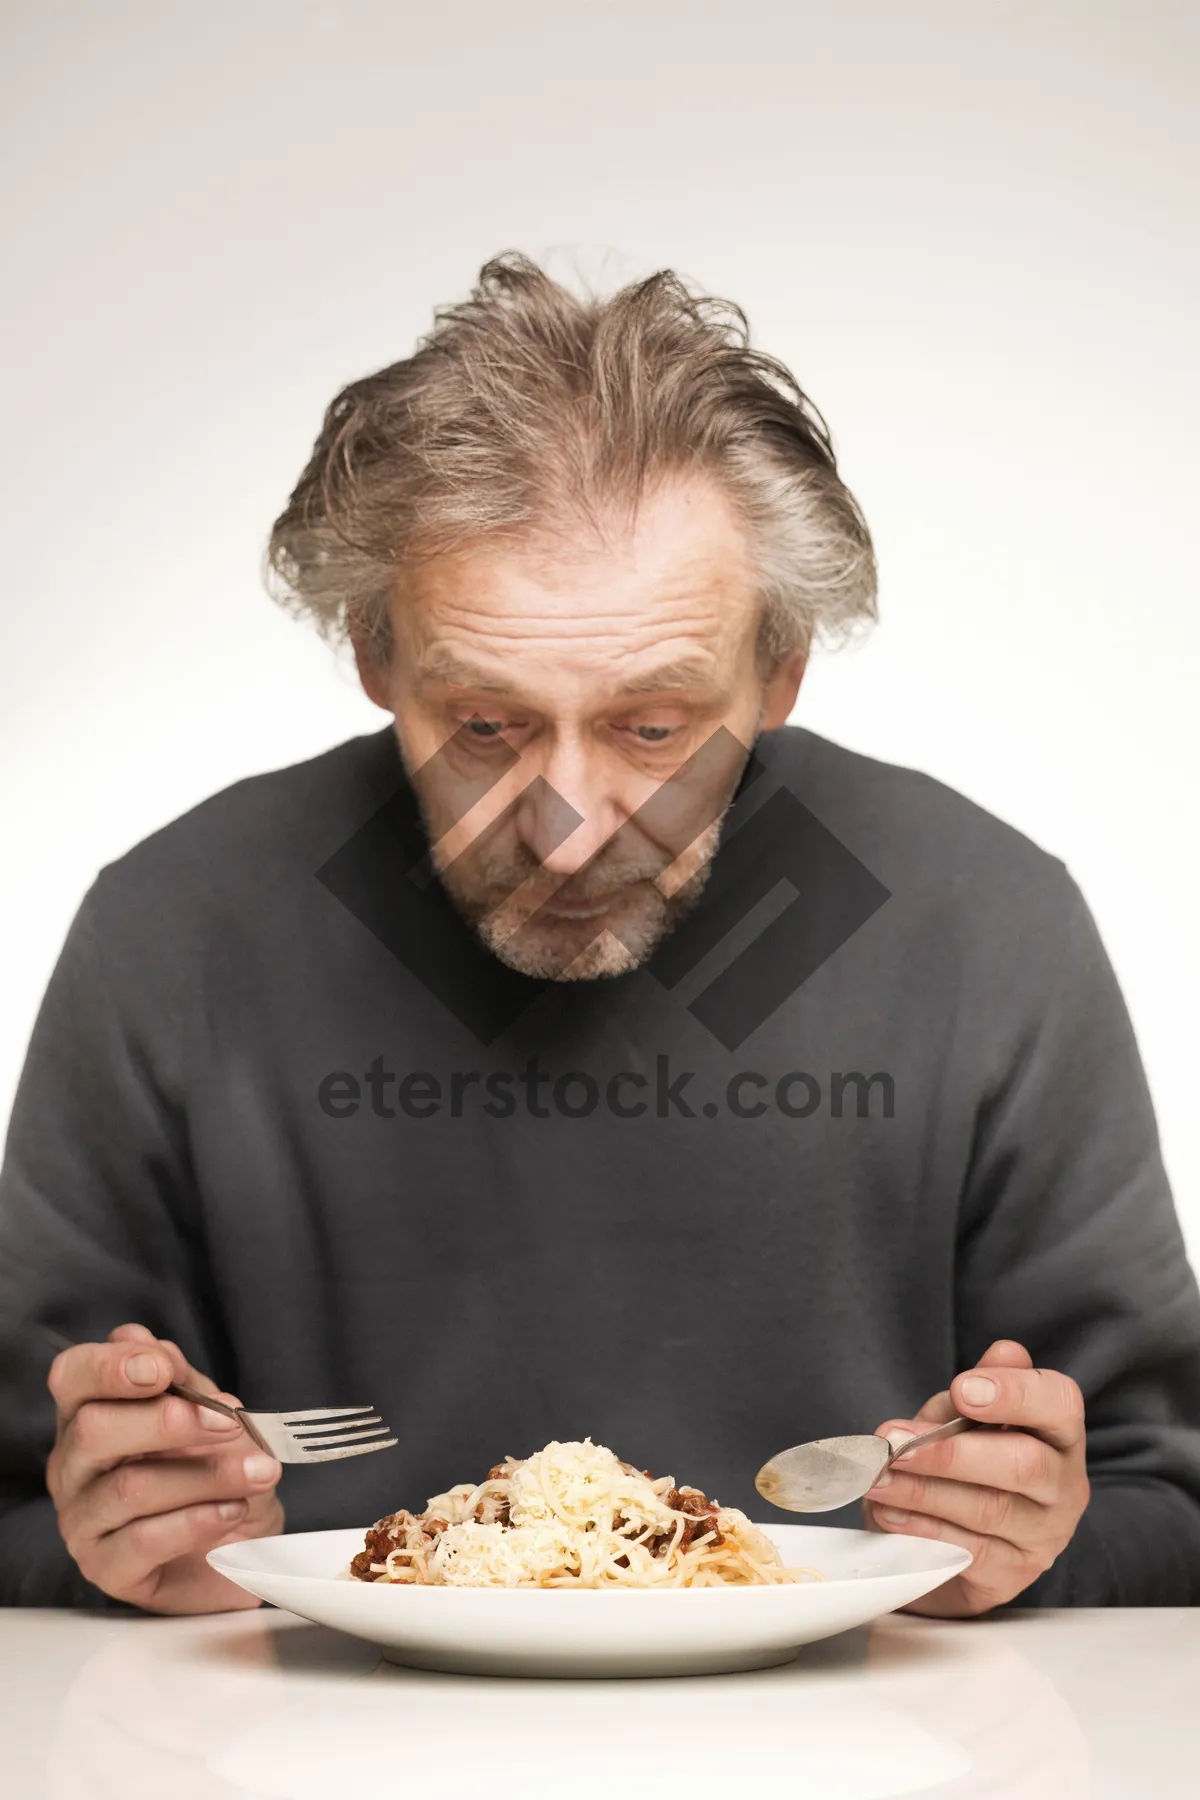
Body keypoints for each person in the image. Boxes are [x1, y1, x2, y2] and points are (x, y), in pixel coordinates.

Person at [2, 252, 1199, 1618]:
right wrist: (109, 1550)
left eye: (653, 728)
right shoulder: (173, 932)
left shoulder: (985, 927)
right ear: (374, 656)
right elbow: (20, 1512)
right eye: (486, 726)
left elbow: (1167, 1504)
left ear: (781, 672)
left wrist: (1030, 1552)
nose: (569, 831)